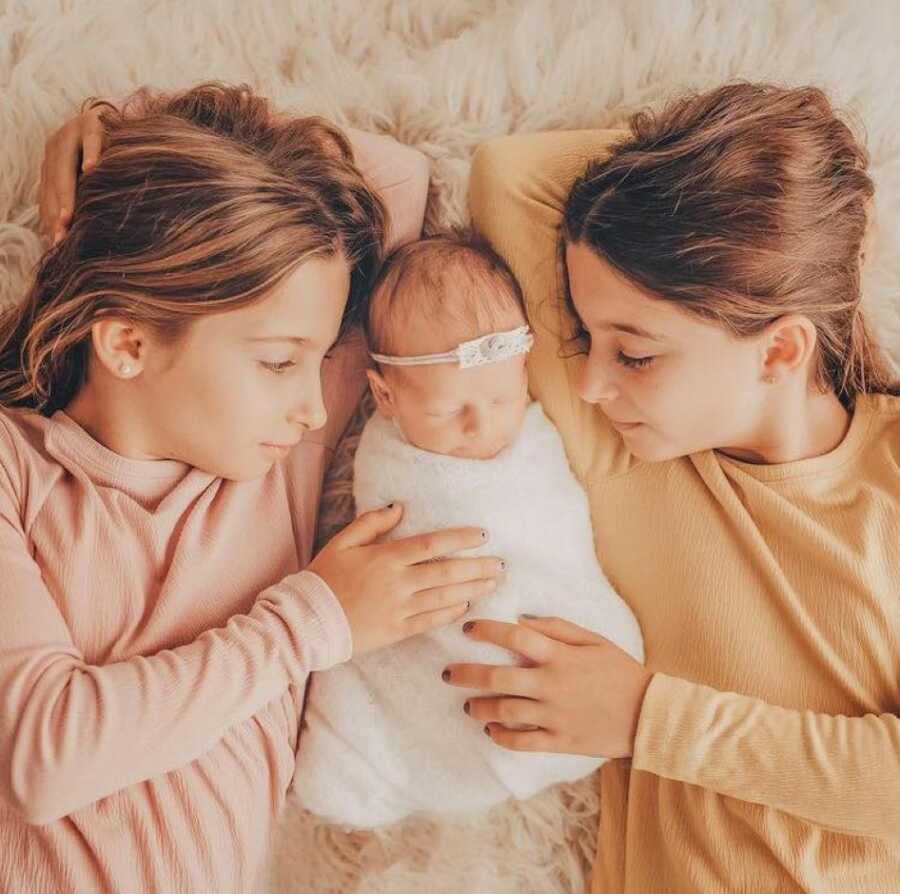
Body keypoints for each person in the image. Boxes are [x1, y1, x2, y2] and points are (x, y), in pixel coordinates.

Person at [1, 83, 504, 894]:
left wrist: (124, 132)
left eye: (318, 356)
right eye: (277, 362)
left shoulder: (276, 466)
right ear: (128, 341)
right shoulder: (14, 470)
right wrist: (312, 621)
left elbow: (398, 181)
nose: (314, 406)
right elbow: (44, 758)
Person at [454, 83, 900, 892]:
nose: (588, 383)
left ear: (778, 352)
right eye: (586, 337)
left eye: (635, 353)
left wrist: (648, 718)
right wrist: (717, 186)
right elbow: (506, 177)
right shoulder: (637, 461)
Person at [292, 234, 643, 828]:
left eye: (504, 397)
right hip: (431, 652)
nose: (482, 426)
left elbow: (555, 541)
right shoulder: (389, 465)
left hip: (557, 649)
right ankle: (381, 762)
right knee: (348, 746)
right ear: (386, 396)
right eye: (449, 411)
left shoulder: (535, 440)